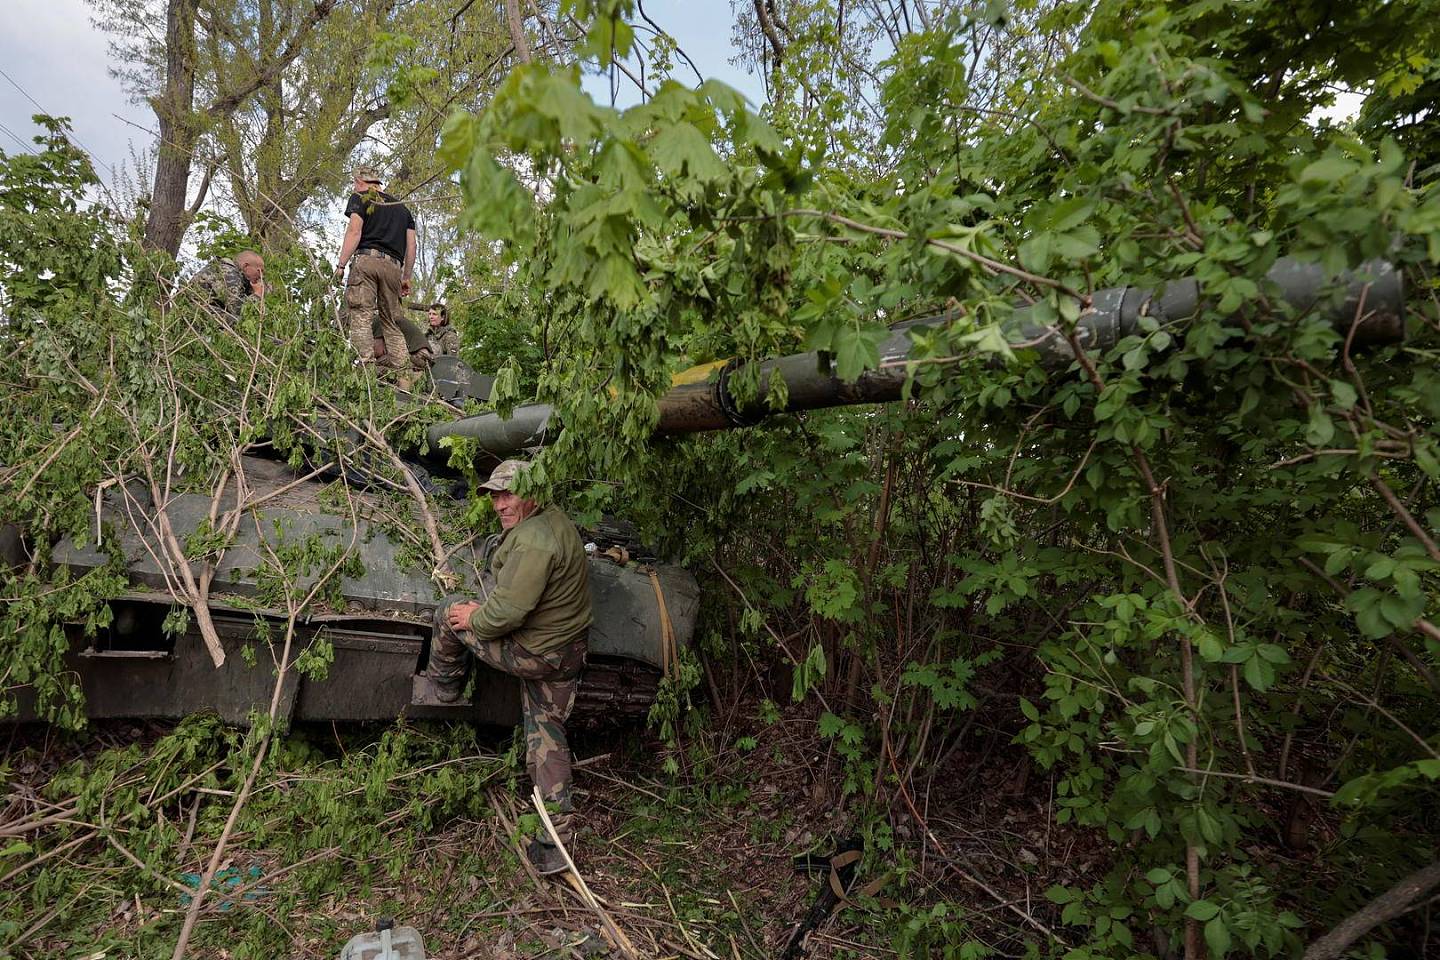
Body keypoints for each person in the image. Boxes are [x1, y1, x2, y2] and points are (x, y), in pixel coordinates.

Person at [425, 459, 592, 876]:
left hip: (534, 652)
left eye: (508, 494)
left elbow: (504, 615)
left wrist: (474, 617)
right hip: (567, 649)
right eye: (495, 495)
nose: (499, 504)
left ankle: (442, 688)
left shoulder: (533, 541)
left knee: (449, 611)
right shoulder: (556, 521)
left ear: (532, 494)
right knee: (547, 732)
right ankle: (555, 844)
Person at [334, 165, 416, 377]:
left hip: (367, 261)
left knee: (361, 317)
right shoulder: (402, 208)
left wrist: (341, 265)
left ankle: (366, 376)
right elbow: (412, 245)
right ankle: (404, 379)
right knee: (391, 323)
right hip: (393, 268)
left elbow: (354, 231)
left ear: (360, 182)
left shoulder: (360, 197)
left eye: (355, 184)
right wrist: (406, 277)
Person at [185, 250, 265, 319]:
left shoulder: (230, 272)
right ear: (245, 266)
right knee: (237, 323)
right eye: (259, 271)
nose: (261, 276)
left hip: (198, 312)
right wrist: (257, 294)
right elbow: (238, 309)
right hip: (193, 313)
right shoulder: (229, 273)